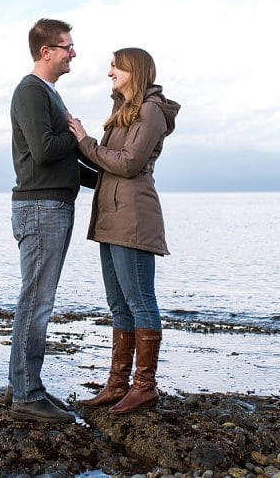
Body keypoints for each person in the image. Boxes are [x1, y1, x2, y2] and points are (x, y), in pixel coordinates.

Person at [68, 47, 180, 414]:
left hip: (133, 217)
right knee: (119, 305)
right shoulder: (123, 112)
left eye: (115, 66)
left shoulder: (150, 110)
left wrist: (84, 140)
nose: (109, 73)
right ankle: (117, 385)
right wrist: (76, 145)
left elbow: (128, 164)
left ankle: (144, 386)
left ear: (135, 70)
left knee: (140, 301)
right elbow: (105, 164)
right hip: (110, 217)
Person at [7, 18, 95, 423]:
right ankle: (26, 394)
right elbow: (44, 152)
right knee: (37, 303)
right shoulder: (30, 91)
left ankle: (27, 386)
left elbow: (69, 161)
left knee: (39, 300)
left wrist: (118, 176)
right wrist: (76, 137)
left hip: (52, 204)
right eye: (67, 46)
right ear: (47, 52)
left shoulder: (50, 94)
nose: (72, 52)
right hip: (40, 207)